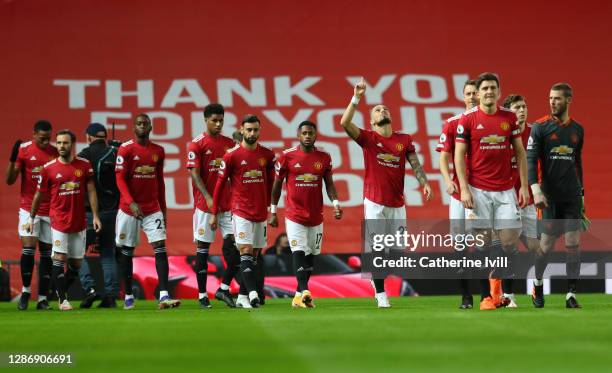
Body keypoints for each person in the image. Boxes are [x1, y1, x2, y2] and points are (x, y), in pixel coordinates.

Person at [340, 77, 433, 308]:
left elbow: (415, 163)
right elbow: (344, 122)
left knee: (397, 252)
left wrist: (425, 182)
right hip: (374, 201)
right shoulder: (369, 139)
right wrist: (357, 97)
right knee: (377, 248)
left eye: (385, 108)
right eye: (378, 110)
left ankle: (376, 277)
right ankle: (381, 294)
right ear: (372, 121)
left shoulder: (404, 139)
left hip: (397, 203)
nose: (382, 110)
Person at [455, 72, 530, 311]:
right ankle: (487, 297)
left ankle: (505, 292)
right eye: (484, 88)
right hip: (478, 191)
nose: (489, 92)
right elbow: (458, 155)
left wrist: (525, 186)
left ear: (498, 91)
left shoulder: (509, 117)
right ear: (478, 93)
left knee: (509, 243)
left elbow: (520, 152)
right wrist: (464, 189)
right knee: (482, 246)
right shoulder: (467, 119)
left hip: (506, 190)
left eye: (492, 88)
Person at [269, 120, 343, 308]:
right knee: (299, 251)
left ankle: (297, 296)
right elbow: (277, 186)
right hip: (294, 215)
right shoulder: (287, 157)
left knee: (311, 254)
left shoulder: (324, 158)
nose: (308, 136)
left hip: (316, 215)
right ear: (298, 135)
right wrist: (273, 210)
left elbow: (330, 184)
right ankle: (305, 291)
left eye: (311, 133)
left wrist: (335, 203)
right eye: (304, 133)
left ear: (315, 135)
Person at [26, 130, 102, 311]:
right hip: (58, 219)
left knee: (76, 263)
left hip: (79, 222)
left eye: (65, 143)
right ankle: (63, 300)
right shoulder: (49, 168)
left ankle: (59, 290)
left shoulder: (84, 165)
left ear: (73, 144)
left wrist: (96, 216)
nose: (61, 146)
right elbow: (38, 195)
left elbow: (91, 190)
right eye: (59, 143)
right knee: (59, 257)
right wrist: (31, 217)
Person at [527, 83, 584, 309]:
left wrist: (583, 192)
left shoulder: (578, 130)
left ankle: (570, 294)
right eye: (550, 98)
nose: (552, 102)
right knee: (546, 247)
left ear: (569, 100)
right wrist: (535, 189)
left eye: (557, 98)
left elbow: (577, 163)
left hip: (571, 196)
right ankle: (538, 284)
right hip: (548, 197)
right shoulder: (540, 127)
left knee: (574, 242)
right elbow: (531, 160)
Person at [209, 114, 275, 309]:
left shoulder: (268, 155)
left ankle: (243, 297)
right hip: (240, 211)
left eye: (255, 130)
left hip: (260, 212)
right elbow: (220, 185)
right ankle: (254, 293)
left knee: (254, 256)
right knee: (244, 251)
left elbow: (272, 184)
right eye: (249, 130)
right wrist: (214, 212)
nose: (252, 133)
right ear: (242, 130)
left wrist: (272, 209)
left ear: (259, 130)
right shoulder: (231, 156)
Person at [115, 113, 180, 310]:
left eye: (146, 123)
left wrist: (164, 209)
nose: (142, 126)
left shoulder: (158, 151)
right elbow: (120, 179)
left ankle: (163, 295)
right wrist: (131, 202)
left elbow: (160, 181)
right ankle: (128, 296)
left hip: (152, 209)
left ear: (151, 127)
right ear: (134, 127)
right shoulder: (125, 149)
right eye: (139, 123)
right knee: (126, 251)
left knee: (160, 247)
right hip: (128, 209)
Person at [186, 103, 238, 309]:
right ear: (205, 120)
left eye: (221, 121)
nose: (218, 124)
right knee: (203, 251)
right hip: (204, 207)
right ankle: (201, 296)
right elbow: (195, 175)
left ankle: (223, 288)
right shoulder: (196, 144)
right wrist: (208, 197)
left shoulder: (229, 143)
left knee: (237, 249)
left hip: (227, 207)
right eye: (214, 121)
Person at [6, 120, 58, 310]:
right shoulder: (24, 150)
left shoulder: (54, 152)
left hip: (50, 210)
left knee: (46, 253)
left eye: (48, 138)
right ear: (34, 134)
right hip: (29, 208)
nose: (46, 142)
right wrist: (12, 160)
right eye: (42, 138)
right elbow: (10, 180)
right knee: (28, 248)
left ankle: (42, 298)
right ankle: (26, 292)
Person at [436, 79, 478, 309]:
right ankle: (466, 296)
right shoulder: (453, 123)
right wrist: (446, 180)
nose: (472, 97)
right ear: (463, 97)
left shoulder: (487, 123)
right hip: (458, 196)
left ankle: (489, 294)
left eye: (475, 93)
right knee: (459, 245)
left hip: (482, 193)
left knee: (481, 244)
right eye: (468, 93)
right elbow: (443, 156)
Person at [500, 94, 541, 308]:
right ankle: (509, 295)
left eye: (524, 106)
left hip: (529, 200)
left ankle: (537, 286)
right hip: (507, 198)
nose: (523, 110)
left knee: (537, 248)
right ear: (509, 111)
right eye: (517, 107)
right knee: (510, 246)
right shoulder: (501, 133)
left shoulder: (536, 132)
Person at [76, 123, 120, 308]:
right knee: (108, 254)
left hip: (89, 212)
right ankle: (110, 296)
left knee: (77, 253)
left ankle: (90, 289)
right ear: (105, 136)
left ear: (88, 137)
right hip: (112, 211)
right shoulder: (115, 153)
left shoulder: (83, 156)